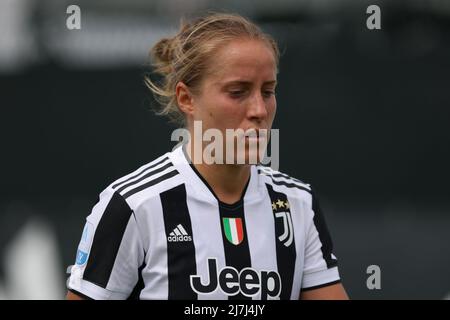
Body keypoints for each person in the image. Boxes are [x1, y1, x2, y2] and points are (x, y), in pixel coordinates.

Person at [66, 12, 348, 300]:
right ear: (187, 99)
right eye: (238, 92)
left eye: (268, 91)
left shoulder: (297, 204)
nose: (259, 111)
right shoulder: (135, 205)